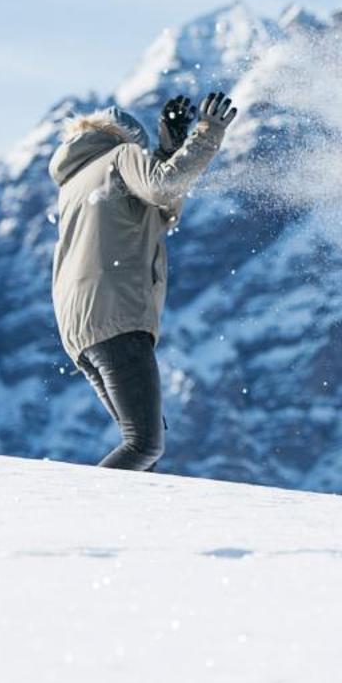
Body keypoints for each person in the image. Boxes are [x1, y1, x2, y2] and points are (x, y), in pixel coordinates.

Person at [49, 91, 237, 470]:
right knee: (144, 445)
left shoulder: (77, 180)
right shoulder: (121, 155)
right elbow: (162, 187)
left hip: (82, 329)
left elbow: (156, 210)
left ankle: (122, 527)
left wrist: (170, 150)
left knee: (142, 448)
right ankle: (77, 516)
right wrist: (207, 133)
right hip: (117, 315)